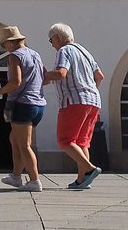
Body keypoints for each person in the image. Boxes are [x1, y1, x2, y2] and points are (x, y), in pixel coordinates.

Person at [43, 23, 104, 190]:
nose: (53, 45)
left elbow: (61, 73)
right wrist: (89, 91)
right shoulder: (85, 52)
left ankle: (90, 169)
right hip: (93, 101)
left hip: (74, 101)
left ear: (57, 37)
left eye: (51, 41)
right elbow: (99, 76)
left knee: (65, 140)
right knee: (81, 142)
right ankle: (82, 179)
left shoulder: (64, 51)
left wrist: (42, 76)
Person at [0, 25, 45, 192]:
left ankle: (34, 181)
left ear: (10, 43)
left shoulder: (14, 56)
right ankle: (16, 176)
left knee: (25, 145)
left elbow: (15, 82)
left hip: (23, 104)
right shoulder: (35, 54)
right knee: (15, 139)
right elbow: (44, 76)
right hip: (38, 104)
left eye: (4, 45)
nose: (5, 48)